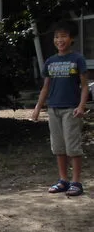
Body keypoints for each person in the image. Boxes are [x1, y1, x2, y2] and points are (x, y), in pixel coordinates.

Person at [31, 19, 89, 197]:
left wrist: (81, 106)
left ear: (71, 39)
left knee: (73, 147)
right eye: (57, 37)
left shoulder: (77, 59)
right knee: (58, 147)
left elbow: (85, 86)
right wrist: (37, 108)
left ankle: (76, 182)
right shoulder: (50, 61)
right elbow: (46, 87)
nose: (59, 40)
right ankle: (63, 180)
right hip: (53, 109)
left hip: (71, 110)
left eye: (63, 36)